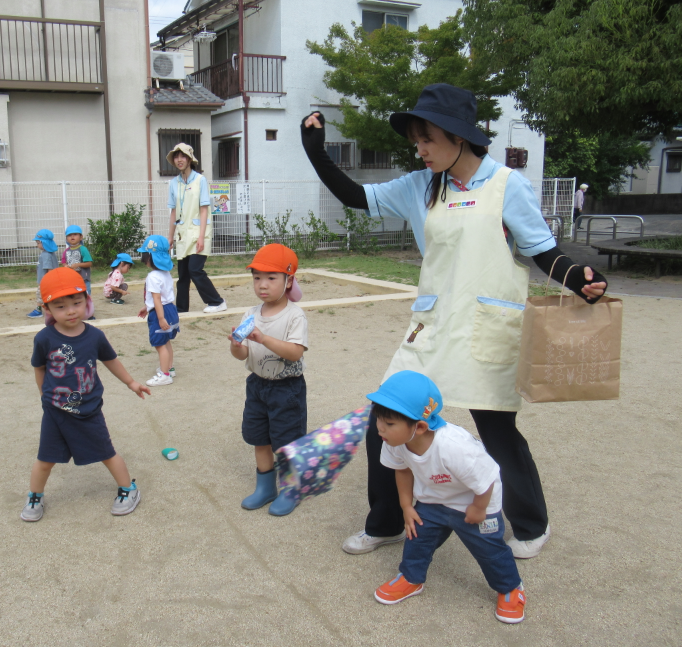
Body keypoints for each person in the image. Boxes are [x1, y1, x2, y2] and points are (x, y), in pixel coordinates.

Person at [301, 84, 608, 559]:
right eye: (416, 141)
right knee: (385, 420)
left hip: (486, 326)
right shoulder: (419, 185)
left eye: (427, 139)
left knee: (496, 430)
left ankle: (531, 524)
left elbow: (543, 251)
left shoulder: (507, 184)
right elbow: (355, 196)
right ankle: (384, 522)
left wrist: (578, 279)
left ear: (458, 136)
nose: (419, 150)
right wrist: (316, 153)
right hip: (431, 325)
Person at [368, 370, 526, 624]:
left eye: (389, 424)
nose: (379, 429)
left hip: (476, 502)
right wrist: (406, 505)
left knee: (489, 549)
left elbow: (486, 480)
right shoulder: (394, 441)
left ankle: (510, 587)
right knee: (417, 537)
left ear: (419, 427)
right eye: (378, 420)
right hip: (434, 500)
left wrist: (478, 508)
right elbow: (403, 470)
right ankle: (411, 577)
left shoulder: (454, 447)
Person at [21, 267, 150, 522]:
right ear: (47, 309)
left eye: (76, 303)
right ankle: (35, 495)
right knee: (45, 459)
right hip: (55, 412)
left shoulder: (94, 336)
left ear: (87, 301)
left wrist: (131, 383)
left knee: (106, 452)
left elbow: (111, 360)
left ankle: (128, 489)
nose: (70, 311)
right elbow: (40, 369)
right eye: (60, 306)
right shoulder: (44, 339)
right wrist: (44, 398)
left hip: (89, 410)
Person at [228, 244, 308, 517]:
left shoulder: (294, 315)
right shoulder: (250, 314)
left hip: (287, 389)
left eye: (271, 278)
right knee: (259, 439)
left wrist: (263, 338)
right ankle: (266, 487)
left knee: (286, 444)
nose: (262, 285)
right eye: (257, 277)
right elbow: (241, 355)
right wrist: (237, 345)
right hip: (257, 386)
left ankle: (290, 490)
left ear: (288, 281)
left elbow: (295, 351)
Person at [165, 142, 227, 314]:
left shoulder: (200, 180)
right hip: (182, 234)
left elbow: (204, 209)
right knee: (183, 274)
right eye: (176, 156)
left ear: (190, 159)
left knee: (195, 269)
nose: (179, 160)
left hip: (199, 232)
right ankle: (181, 309)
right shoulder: (173, 183)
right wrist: (169, 237)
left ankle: (217, 301)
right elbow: (173, 211)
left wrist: (201, 237)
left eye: (183, 156)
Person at [136, 235, 180, 386]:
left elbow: (157, 300)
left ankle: (165, 375)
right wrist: (146, 308)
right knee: (166, 341)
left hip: (161, 312)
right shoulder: (166, 273)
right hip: (171, 309)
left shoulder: (152, 276)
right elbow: (163, 297)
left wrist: (160, 318)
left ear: (149, 258)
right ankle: (169, 367)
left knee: (160, 345)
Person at [27, 229, 59, 319]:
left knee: (40, 295)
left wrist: (46, 281)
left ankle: (38, 310)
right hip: (52, 280)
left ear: (44, 243)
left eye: (38, 243)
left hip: (45, 281)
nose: (37, 245)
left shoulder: (46, 255)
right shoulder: (51, 254)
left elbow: (49, 269)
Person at [62, 225, 93, 294]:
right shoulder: (66, 251)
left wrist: (78, 264)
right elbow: (64, 262)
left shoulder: (83, 249)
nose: (72, 237)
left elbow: (89, 263)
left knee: (86, 294)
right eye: (69, 235)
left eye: (75, 234)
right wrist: (65, 266)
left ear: (81, 237)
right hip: (71, 279)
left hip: (83, 278)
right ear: (66, 238)